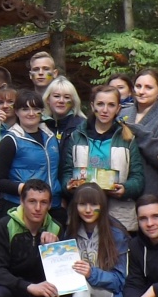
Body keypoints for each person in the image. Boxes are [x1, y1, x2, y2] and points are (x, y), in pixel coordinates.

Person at [44, 184, 129, 297]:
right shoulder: (72, 231)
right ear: (75, 207)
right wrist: (56, 250)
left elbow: (121, 281)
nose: (88, 210)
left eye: (94, 204)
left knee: (84, 283)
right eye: (83, 205)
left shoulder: (116, 234)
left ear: (103, 206)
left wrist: (92, 273)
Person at [60, 85, 144, 229]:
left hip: (118, 215)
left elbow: (138, 178)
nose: (105, 110)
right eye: (100, 104)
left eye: (111, 105)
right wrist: (68, 185)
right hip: (82, 213)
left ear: (118, 109)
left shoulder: (128, 138)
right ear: (93, 106)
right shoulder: (76, 136)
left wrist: (125, 189)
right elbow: (66, 172)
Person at [0, 89, 61, 210]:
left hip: (52, 205)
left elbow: (57, 172)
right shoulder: (10, 140)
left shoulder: (51, 137)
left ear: (42, 112)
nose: (31, 113)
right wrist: (27, 189)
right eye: (25, 109)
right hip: (20, 206)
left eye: (36, 109)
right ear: (16, 112)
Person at [129, 69, 158, 194]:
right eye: (138, 86)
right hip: (122, 187)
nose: (141, 92)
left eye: (148, 87)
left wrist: (138, 132)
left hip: (151, 187)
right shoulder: (122, 113)